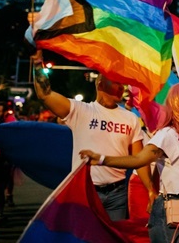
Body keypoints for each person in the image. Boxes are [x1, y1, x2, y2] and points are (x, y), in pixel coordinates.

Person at [80, 82, 179, 243]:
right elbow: (139, 159)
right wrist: (102, 159)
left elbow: (161, 170)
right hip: (171, 211)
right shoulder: (167, 134)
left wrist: (154, 190)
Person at [31, 53, 154, 220]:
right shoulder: (80, 111)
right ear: (100, 84)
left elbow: (139, 159)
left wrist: (150, 189)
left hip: (117, 195)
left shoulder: (131, 118)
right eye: (117, 82)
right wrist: (38, 64)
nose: (122, 88)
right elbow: (45, 95)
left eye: (123, 84)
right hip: (85, 192)